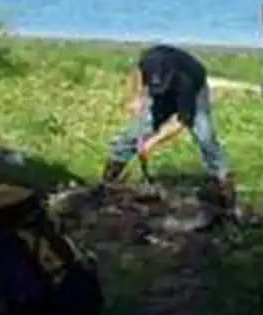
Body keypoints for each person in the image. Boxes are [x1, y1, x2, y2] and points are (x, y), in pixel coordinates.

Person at [99, 44, 236, 214]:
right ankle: (107, 183)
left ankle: (225, 186)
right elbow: (137, 72)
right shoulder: (150, 60)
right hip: (164, 95)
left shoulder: (186, 80)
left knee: (204, 136)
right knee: (133, 134)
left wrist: (152, 142)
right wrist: (136, 97)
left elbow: (182, 122)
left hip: (194, 93)